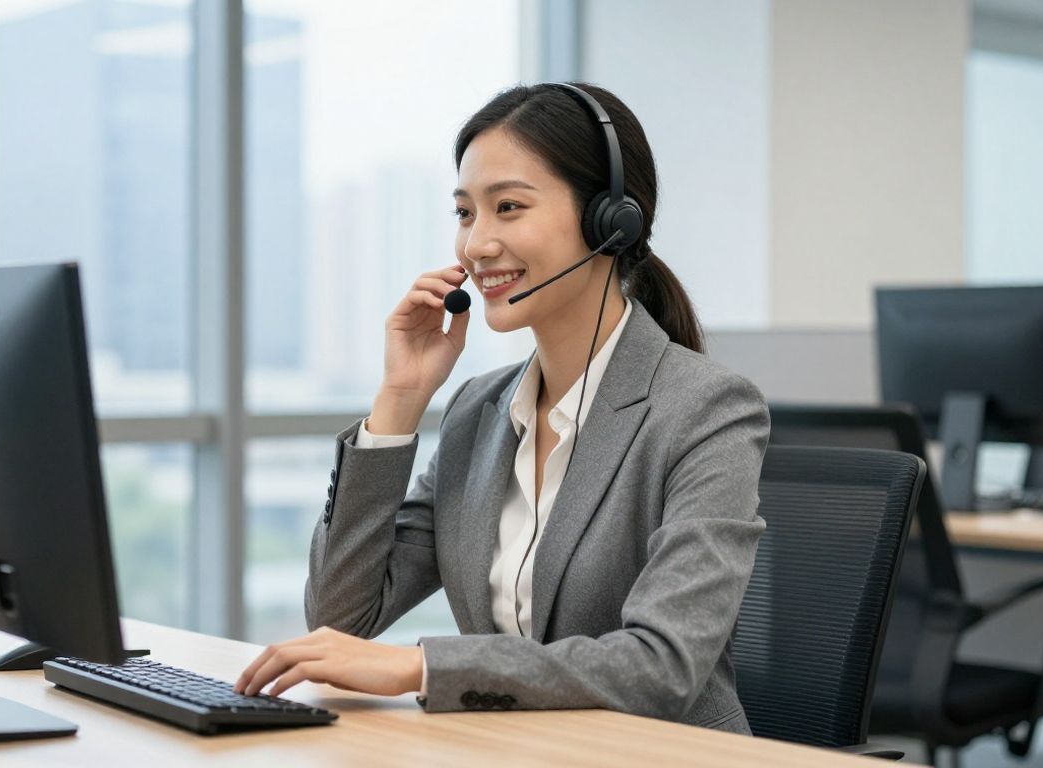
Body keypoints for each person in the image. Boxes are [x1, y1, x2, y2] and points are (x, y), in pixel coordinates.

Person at [235, 82, 770, 734]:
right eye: (465, 213)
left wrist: (423, 668)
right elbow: (339, 617)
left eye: (508, 207)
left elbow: (663, 665)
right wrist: (399, 400)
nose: (476, 245)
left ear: (610, 219)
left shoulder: (707, 411)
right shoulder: (476, 413)